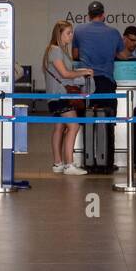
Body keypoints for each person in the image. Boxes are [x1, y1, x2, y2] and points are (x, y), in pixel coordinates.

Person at [43, 20, 93, 175]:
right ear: (59, 34)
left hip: (55, 95)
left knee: (59, 127)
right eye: (68, 33)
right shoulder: (56, 50)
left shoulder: (56, 50)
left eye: (72, 33)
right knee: (74, 125)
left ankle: (58, 163)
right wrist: (83, 72)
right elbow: (65, 73)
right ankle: (69, 164)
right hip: (60, 95)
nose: (71, 36)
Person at [72, 1, 130, 97]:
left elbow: (75, 55)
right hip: (106, 81)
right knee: (108, 110)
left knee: (87, 110)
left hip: (86, 81)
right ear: (103, 15)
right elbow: (124, 56)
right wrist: (112, 51)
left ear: (89, 16)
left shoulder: (79, 30)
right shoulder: (114, 32)